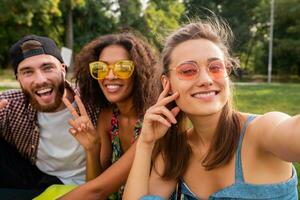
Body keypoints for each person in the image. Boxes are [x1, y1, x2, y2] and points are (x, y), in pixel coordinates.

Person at [123, 17, 299, 199]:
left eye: (215, 67)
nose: (206, 80)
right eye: (188, 71)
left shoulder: (262, 131)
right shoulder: (176, 152)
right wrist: (145, 143)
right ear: (167, 83)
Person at [60, 32, 159, 199]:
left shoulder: (155, 120)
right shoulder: (107, 118)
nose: (110, 76)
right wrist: (92, 149)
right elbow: (95, 184)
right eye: (101, 68)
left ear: (140, 72)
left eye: (123, 68)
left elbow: (98, 191)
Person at [0, 35, 99, 199]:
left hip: (91, 183)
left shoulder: (93, 101)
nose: (40, 80)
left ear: (63, 69)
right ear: (18, 79)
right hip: (40, 180)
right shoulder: (11, 104)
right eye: (27, 72)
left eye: (47, 68)